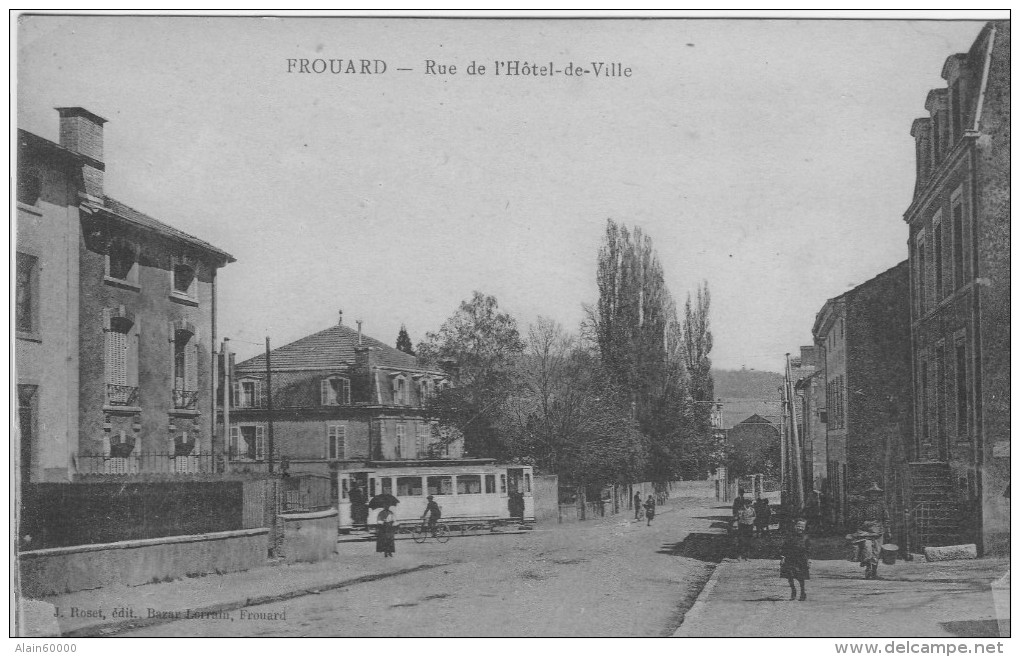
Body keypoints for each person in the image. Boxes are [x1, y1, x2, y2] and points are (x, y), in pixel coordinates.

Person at [848, 483, 890, 580]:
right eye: (872, 494)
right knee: (867, 550)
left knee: (877, 552)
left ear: (878, 495)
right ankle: (868, 570)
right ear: (869, 494)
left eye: (876, 494)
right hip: (865, 531)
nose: (874, 496)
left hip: (878, 531)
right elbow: (859, 518)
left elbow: (886, 518)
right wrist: (861, 527)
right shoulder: (864, 505)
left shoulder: (882, 505)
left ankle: (874, 572)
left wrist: (888, 530)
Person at [780, 518, 810, 600]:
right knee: (790, 575)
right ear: (795, 526)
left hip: (801, 559)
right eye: (798, 526)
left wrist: (808, 560)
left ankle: (803, 592)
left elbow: (808, 550)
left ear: (804, 528)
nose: (800, 528)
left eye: (802, 527)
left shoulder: (806, 537)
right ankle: (793, 590)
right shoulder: (789, 536)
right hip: (790, 558)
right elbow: (784, 547)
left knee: (801, 577)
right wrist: (783, 558)